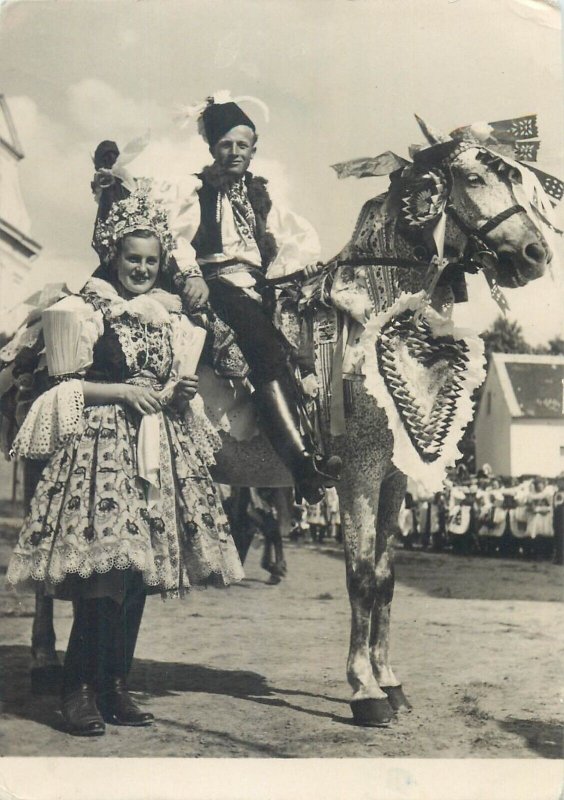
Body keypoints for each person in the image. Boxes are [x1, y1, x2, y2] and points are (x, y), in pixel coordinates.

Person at [7, 179, 244, 736]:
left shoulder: (166, 314)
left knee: (139, 575)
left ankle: (115, 685)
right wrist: (120, 392)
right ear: (113, 254)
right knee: (103, 577)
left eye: (151, 260)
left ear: (162, 262)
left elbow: (164, 381)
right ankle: (78, 690)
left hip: (157, 450)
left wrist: (175, 393)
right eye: (132, 258)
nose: (141, 269)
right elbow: (61, 385)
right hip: (99, 453)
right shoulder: (81, 308)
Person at [160, 95, 342, 503]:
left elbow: (289, 241)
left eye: (243, 145)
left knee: (305, 340)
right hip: (216, 280)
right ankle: (300, 465)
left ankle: (314, 441)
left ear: (254, 150)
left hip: (259, 284)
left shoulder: (261, 196)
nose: (235, 152)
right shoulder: (197, 190)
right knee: (263, 344)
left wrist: (304, 266)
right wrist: (191, 274)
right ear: (212, 148)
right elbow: (174, 235)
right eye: (226, 144)